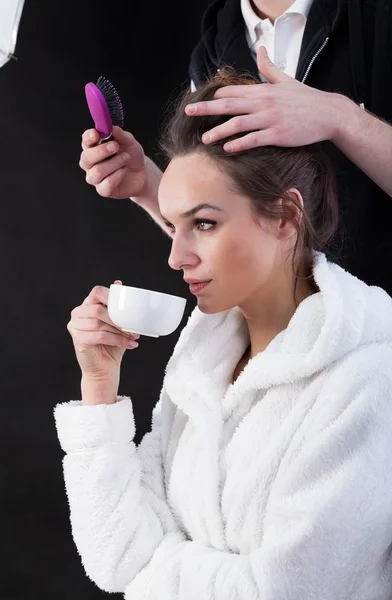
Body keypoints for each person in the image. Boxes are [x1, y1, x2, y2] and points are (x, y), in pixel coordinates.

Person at [57, 70, 392, 599]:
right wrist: (99, 388)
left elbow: (284, 594)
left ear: (285, 216)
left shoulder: (367, 381)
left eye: (205, 224)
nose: (174, 255)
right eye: (173, 223)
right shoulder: (203, 358)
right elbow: (116, 554)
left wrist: (157, 564)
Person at [79, 0, 392, 294]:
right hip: (286, 338)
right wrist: (147, 184)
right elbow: (223, 229)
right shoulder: (213, 47)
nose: (176, 261)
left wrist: (343, 118)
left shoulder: (376, 19)